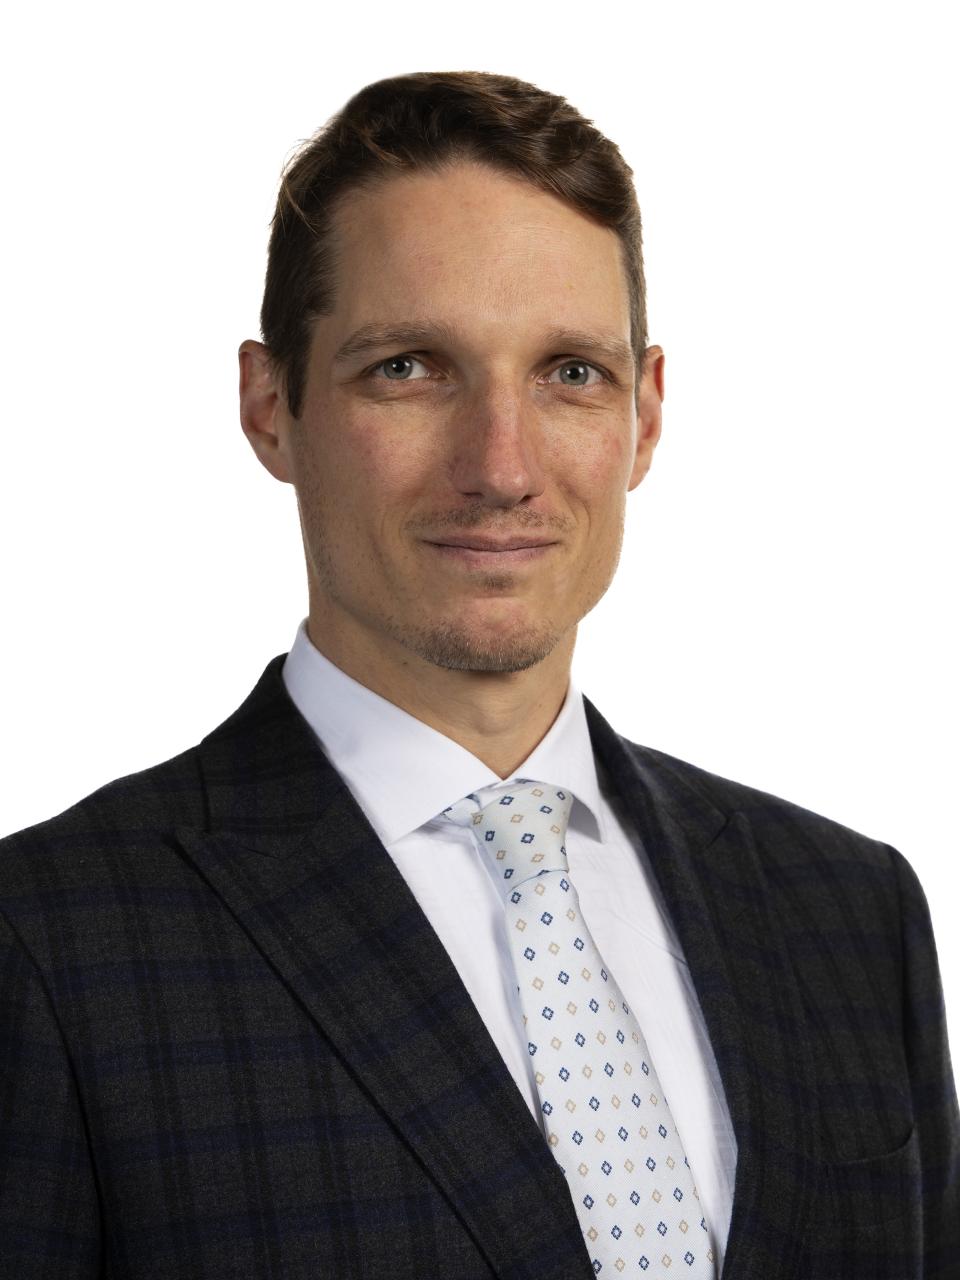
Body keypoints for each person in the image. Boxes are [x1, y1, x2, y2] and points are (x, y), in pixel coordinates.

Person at [0, 70, 957, 1280]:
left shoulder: (851, 913)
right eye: (410, 367)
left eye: (571, 372)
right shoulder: (48, 942)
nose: (501, 467)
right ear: (270, 405)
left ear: (646, 416)